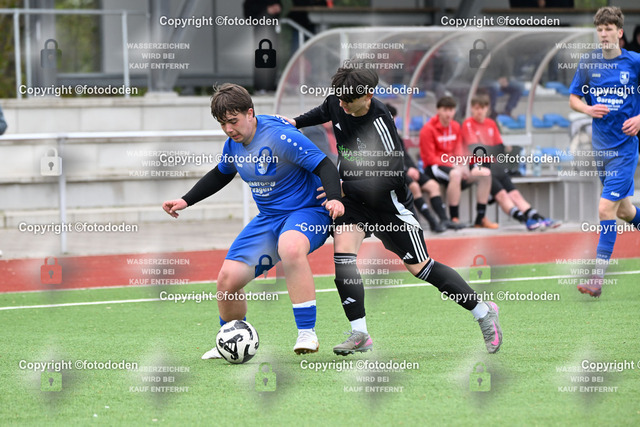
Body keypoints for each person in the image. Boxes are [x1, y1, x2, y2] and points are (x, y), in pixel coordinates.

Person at [280, 67, 503, 355]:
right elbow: (326, 110)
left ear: (368, 96)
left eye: (349, 101)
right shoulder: (340, 100)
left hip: (389, 206)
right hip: (354, 203)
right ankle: (360, 333)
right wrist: (296, 121)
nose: (342, 105)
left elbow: (394, 179)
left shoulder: (380, 124)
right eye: (340, 99)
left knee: (421, 268)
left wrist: (345, 188)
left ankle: (483, 312)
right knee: (344, 259)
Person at [162, 83, 345, 357]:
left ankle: (307, 333)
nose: (228, 129)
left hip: (307, 211)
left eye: (233, 121)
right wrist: (186, 200)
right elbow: (221, 173)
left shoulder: (280, 136)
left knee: (290, 247)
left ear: (250, 113)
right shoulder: (233, 144)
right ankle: (231, 339)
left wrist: (334, 198)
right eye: (222, 124)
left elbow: (324, 164)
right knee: (227, 281)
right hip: (270, 218)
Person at [568, 6, 640, 297]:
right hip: (601, 151)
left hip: (624, 150)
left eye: (609, 29)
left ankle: (597, 280)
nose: (603, 34)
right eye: (599, 30)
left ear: (619, 32)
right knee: (624, 210)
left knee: (605, 208)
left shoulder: (634, 62)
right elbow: (573, 98)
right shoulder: (589, 63)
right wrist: (587, 109)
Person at [462, 95, 561, 231]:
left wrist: (490, 149)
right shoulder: (468, 124)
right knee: (502, 195)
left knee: (515, 194)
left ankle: (539, 218)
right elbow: (475, 149)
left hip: (494, 165)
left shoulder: (491, 123)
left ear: (487, 109)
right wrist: (492, 149)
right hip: (480, 166)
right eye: (477, 108)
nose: (480, 111)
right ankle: (525, 220)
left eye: (483, 108)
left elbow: (500, 147)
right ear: (472, 109)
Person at [420, 96, 499, 229]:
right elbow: (429, 158)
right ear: (438, 110)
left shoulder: (456, 126)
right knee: (456, 174)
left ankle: (480, 218)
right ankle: (454, 218)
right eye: (445, 110)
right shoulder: (428, 129)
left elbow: (458, 151)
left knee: (484, 174)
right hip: (434, 167)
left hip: (454, 165)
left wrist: (462, 165)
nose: (448, 114)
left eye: (451, 110)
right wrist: (454, 165)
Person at [385, 103, 446, 233]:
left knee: (433, 185)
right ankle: (432, 222)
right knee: (414, 187)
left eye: (394, 117)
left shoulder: (396, 136)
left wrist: (413, 169)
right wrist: (407, 170)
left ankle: (444, 220)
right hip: (393, 173)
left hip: (407, 170)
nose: (393, 121)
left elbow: (405, 156)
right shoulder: (380, 137)